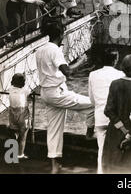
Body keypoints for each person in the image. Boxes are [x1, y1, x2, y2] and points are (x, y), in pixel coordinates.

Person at [35, 24, 94, 174]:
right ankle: (89, 133)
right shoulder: (55, 50)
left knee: (54, 129)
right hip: (57, 92)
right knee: (94, 104)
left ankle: (55, 166)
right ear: (60, 34)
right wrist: (82, 61)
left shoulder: (40, 50)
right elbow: (67, 71)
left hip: (46, 92)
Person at [102, 54, 131, 173]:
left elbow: (108, 110)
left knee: (111, 164)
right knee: (129, 166)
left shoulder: (114, 84)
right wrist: (129, 133)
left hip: (115, 130)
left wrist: (122, 128)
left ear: (123, 68)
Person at [88, 48, 125, 173]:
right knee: (117, 152)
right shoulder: (121, 75)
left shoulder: (93, 75)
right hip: (116, 120)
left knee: (101, 151)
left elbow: (92, 100)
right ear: (115, 60)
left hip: (100, 118)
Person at [8, 73, 31, 160]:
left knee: (14, 133)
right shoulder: (25, 91)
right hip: (22, 113)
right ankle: (20, 154)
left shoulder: (10, 89)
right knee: (23, 136)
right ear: (23, 83)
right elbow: (29, 92)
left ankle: (12, 153)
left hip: (12, 112)